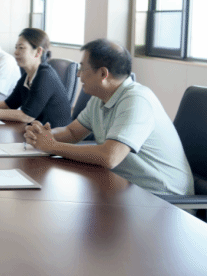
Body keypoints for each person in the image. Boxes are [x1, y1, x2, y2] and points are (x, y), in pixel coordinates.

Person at [24, 39, 193, 196]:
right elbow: (72, 132)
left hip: (164, 199)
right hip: (127, 188)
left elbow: (110, 157)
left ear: (103, 74)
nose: (78, 75)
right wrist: (44, 135)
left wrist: (53, 146)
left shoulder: (137, 100)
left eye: (82, 68)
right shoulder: (100, 98)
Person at [0, 28, 71, 128]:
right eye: (16, 48)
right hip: (35, 133)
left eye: (21, 48)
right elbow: (9, 104)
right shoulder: (28, 74)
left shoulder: (45, 75)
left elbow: (27, 116)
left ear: (38, 51)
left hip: (54, 137)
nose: (16, 52)